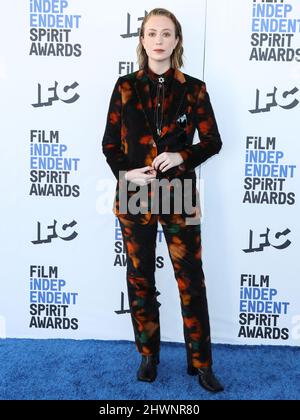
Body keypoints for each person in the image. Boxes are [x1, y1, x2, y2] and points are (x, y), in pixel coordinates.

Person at [102, 8, 224, 393]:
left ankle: (201, 364)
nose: (158, 39)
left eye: (166, 33)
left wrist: (182, 157)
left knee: (191, 280)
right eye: (151, 33)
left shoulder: (194, 88)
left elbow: (212, 141)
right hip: (136, 192)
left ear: (176, 40)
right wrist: (127, 172)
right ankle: (148, 356)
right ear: (142, 40)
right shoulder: (124, 87)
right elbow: (108, 144)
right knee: (140, 279)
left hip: (180, 193)